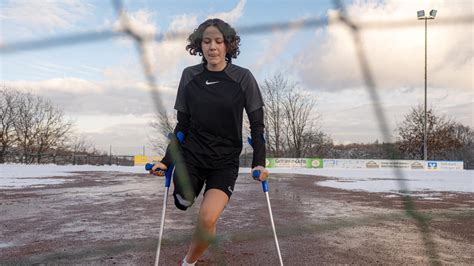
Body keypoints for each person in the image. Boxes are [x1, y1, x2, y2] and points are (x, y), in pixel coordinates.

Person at [150, 18, 269, 265]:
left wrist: (259, 163)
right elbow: (181, 127)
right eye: (206, 41)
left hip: (224, 161)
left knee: (207, 220)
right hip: (191, 156)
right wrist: (165, 161)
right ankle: (185, 195)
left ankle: (188, 263)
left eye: (218, 41)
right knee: (183, 202)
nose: (212, 47)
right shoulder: (189, 76)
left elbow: (257, 126)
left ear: (228, 45)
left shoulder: (243, 78)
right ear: (199, 46)